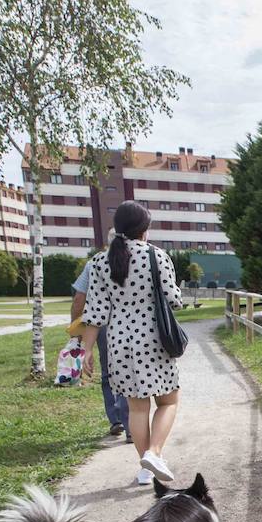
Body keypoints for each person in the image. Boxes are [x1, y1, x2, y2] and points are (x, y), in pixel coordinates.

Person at [79, 201, 184, 486]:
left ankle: (146, 470)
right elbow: (174, 299)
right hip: (153, 339)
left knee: (137, 408)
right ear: (144, 229)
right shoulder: (156, 256)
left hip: (118, 343)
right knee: (168, 401)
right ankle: (154, 452)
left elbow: (94, 311)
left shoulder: (99, 262)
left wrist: (86, 349)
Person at [70, 257, 130, 440]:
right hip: (133, 323)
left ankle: (116, 419)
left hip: (102, 324)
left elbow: (79, 298)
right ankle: (132, 426)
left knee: (108, 372)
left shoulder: (93, 264)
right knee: (130, 372)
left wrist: (75, 329)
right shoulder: (140, 257)